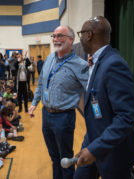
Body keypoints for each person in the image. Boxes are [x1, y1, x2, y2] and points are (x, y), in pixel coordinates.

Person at [74, 16, 134, 179]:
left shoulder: (113, 64)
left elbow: (126, 117)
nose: (81, 39)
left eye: (81, 34)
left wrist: (94, 148)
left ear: (89, 35)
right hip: (94, 138)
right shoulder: (97, 61)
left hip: (114, 150)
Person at [29, 26, 88, 179]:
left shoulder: (80, 65)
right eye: (53, 36)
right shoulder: (49, 58)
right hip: (46, 114)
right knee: (54, 158)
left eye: (60, 36)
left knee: (65, 160)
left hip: (64, 118)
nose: (55, 39)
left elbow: (93, 90)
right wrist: (35, 102)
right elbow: (42, 83)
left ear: (71, 39)